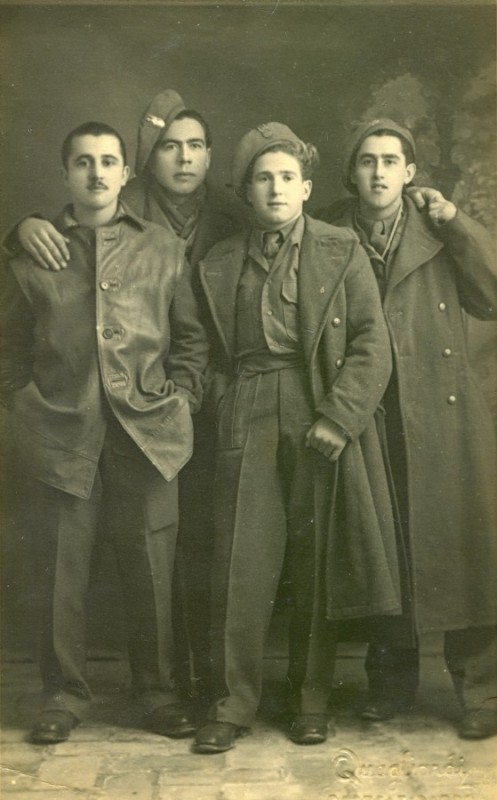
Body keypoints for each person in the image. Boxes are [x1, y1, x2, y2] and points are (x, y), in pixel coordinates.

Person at [4, 89, 248, 706]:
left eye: (108, 161)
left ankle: (158, 692)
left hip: (148, 429)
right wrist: (27, 406)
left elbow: (191, 342)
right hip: (63, 432)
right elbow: (6, 350)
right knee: (61, 569)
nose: (96, 173)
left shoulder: (161, 249)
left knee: (151, 566)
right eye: (83, 162)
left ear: (124, 171)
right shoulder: (34, 256)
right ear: (65, 173)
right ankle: (65, 696)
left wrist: (181, 399)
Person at [192, 122, 402, 753]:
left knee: (315, 561)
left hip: (317, 404)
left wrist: (339, 416)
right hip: (247, 401)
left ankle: (311, 697)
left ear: (307, 188)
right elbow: (197, 346)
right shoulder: (218, 261)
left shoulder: (342, 250)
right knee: (239, 561)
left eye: (287, 177)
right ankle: (232, 701)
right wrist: (224, 401)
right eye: (263, 177)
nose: (276, 188)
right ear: (246, 190)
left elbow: (373, 343)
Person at [319, 117, 497, 740]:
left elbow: (491, 297)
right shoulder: (330, 232)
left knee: (465, 550)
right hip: (373, 411)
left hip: (443, 414)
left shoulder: (438, 228)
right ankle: (390, 682)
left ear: (410, 172)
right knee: (387, 551)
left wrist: (456, 224)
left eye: (390, 161)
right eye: (367, 161)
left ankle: (481, 691)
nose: (378, 172)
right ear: (352, 172)